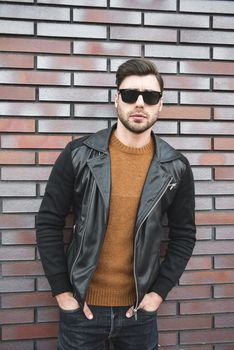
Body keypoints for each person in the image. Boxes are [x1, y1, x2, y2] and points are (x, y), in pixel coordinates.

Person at [36, 58, 196, 350]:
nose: (139, 103)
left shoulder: (176, 167)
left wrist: (157, 295)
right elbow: (48, 221)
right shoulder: (79, 154)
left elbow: (184, 236)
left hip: (139, 314)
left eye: (150, 97)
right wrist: (62, 292)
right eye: (129, 94)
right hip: (81, 310)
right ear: (116, 100)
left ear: (160, 105)